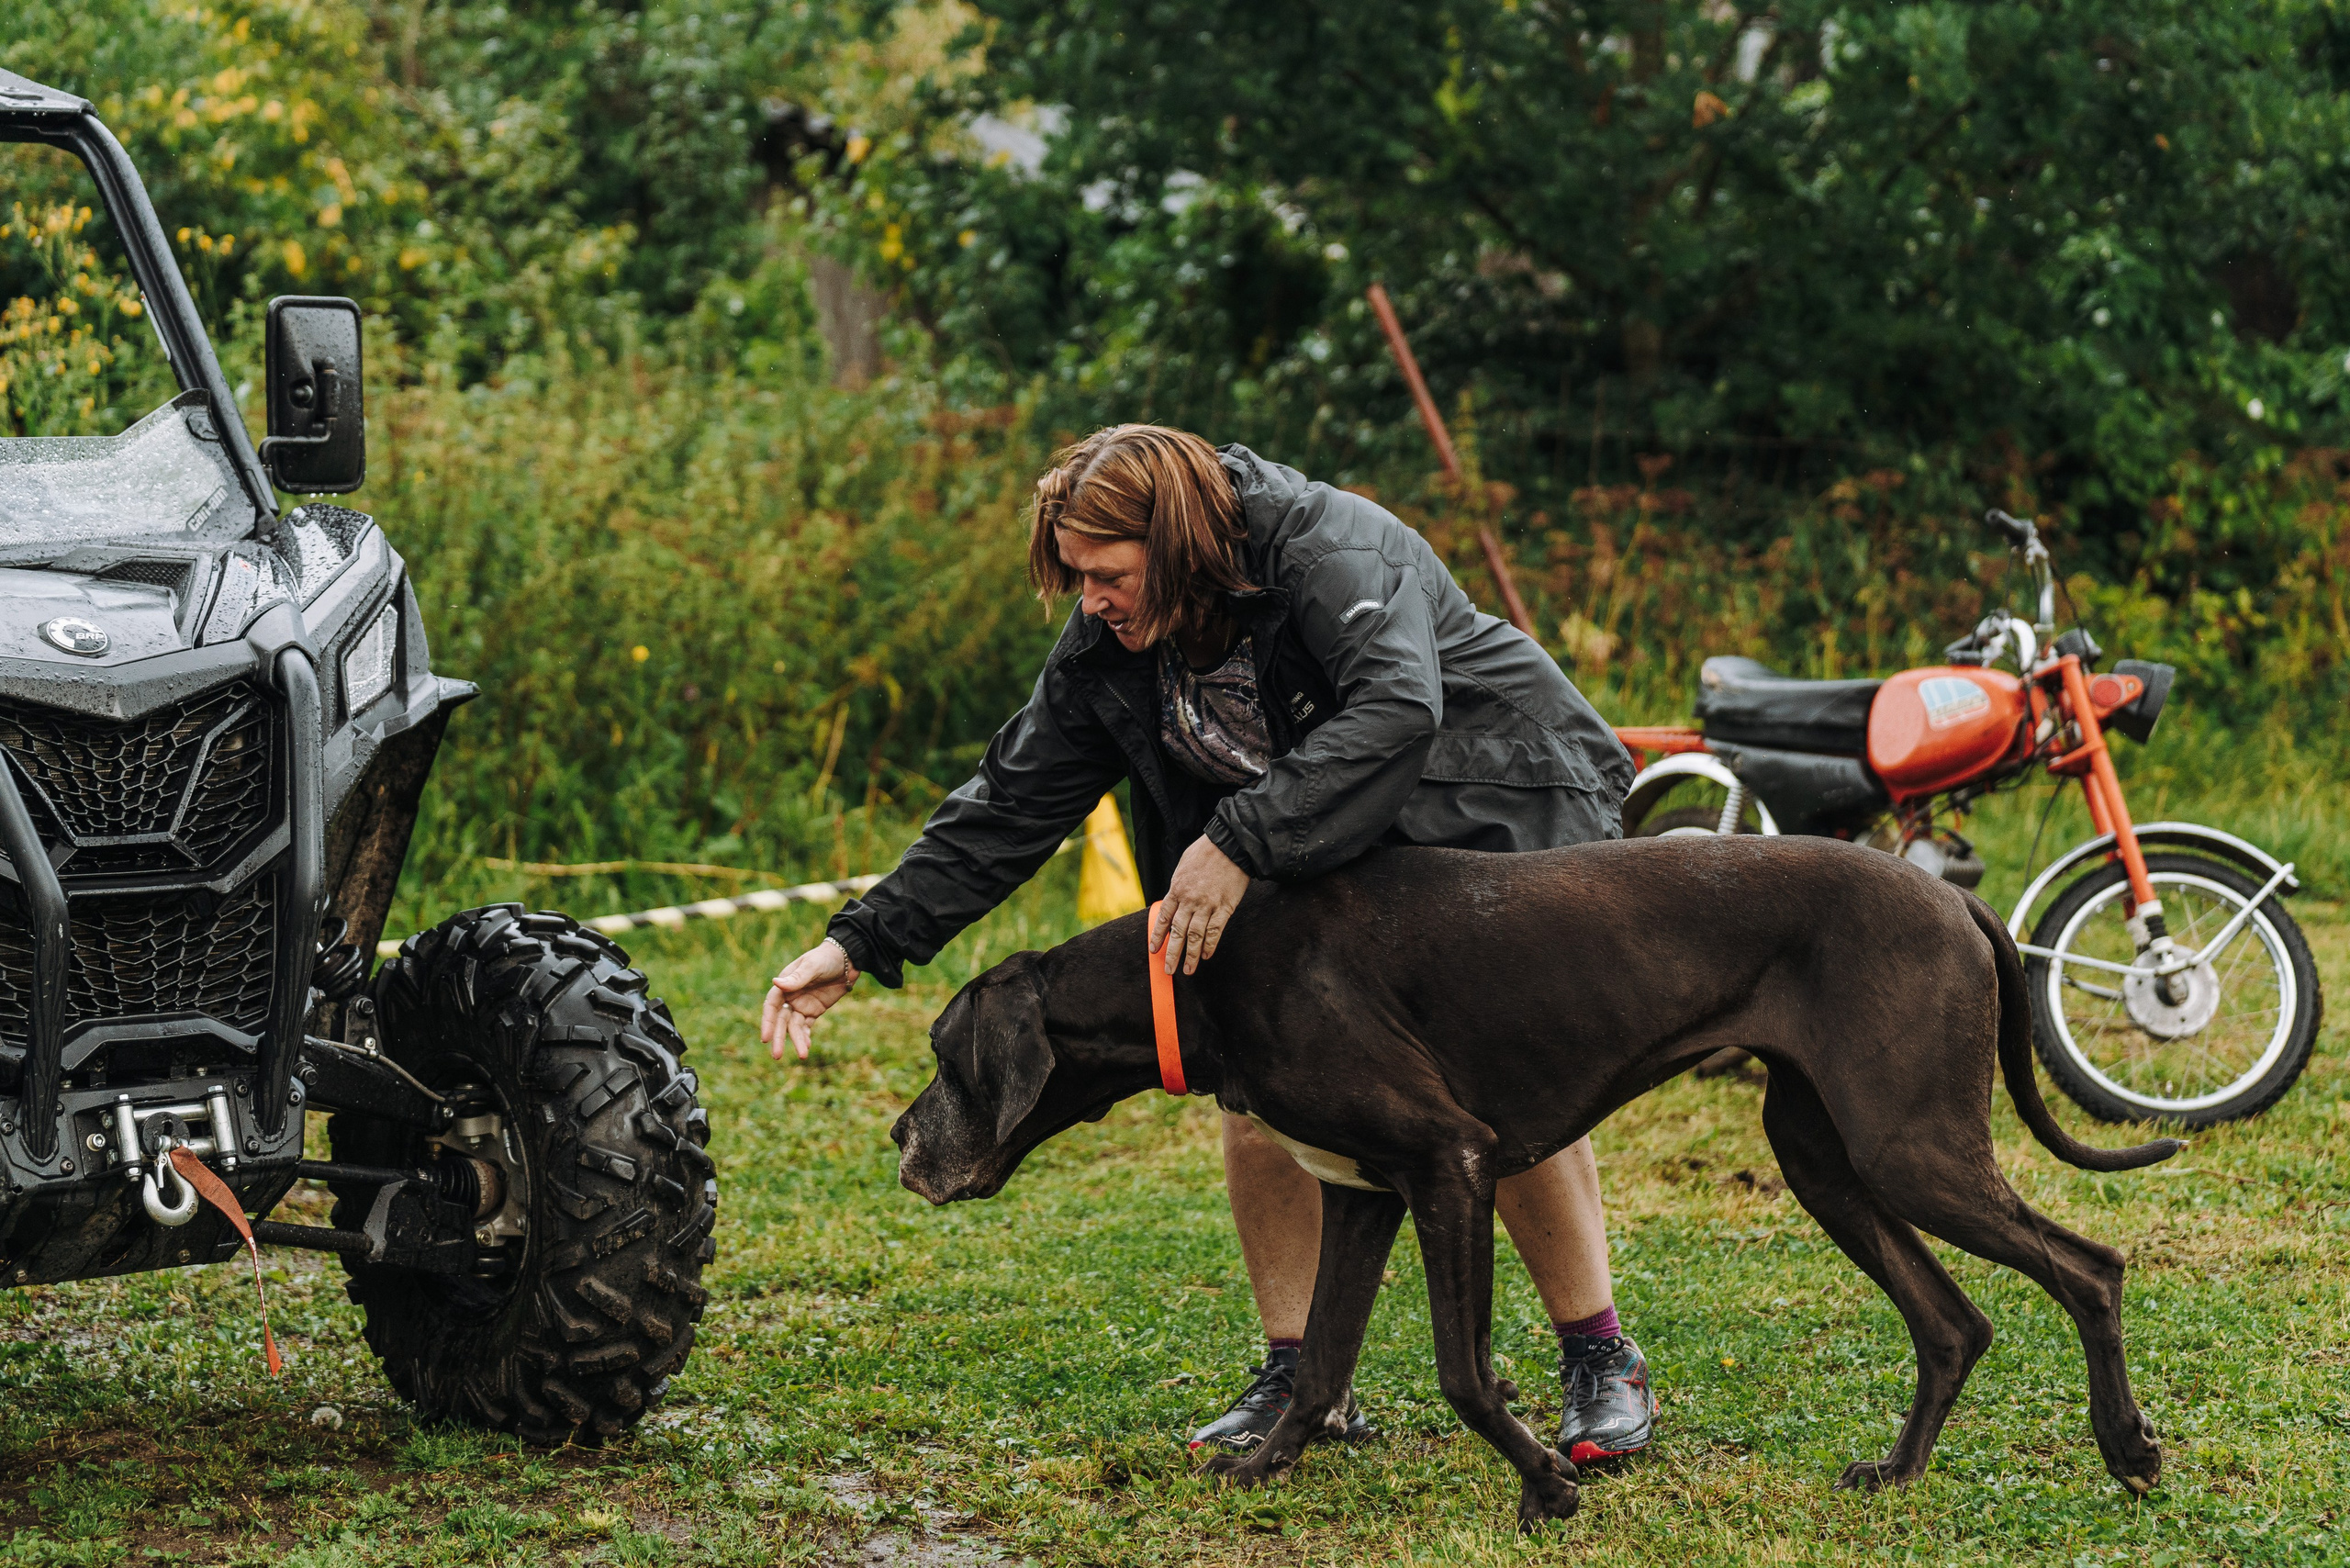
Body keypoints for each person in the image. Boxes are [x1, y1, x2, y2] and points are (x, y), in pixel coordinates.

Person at [761, 425, 1655, 1463]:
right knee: (1252, 1064)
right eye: (1074, 576)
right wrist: (861, 940)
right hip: (1310, 841)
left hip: (1491, 795)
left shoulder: (1329, 548)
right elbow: (1010, 802)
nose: (1087, 598)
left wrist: (1237, 839)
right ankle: (1300, 1377)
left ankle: (1599, 1357)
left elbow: (1397, 704)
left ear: (1177, 542)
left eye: (1104, 572)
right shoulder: (1109, 640)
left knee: (1485, 1084)